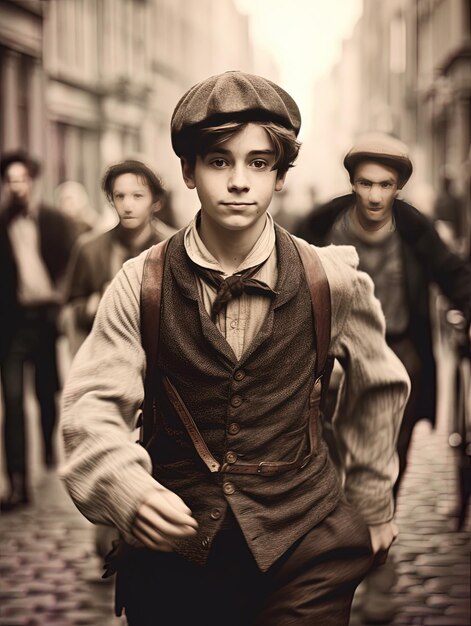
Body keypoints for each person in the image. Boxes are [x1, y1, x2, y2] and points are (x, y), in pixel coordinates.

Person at [60, 72, 410, 626]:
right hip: (178, 552)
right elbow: (91, 408)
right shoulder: (140, 281)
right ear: (189, 172)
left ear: (280, 174)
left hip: (306, 544)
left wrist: (371, 498)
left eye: (259, 163)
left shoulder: (330, 278)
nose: (240, 181)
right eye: (220, 161)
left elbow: (381, 384)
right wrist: (126, 489)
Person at [295, 132, 471, 622]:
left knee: (385, 459)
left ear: (399, 188)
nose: (374, 195)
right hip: (329, 359)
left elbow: (454, 274)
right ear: (352, 183)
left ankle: (377, 559)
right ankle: (327, 554)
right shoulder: (321, 222)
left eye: (385, 185)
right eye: (366, 183)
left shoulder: (413, 229)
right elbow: (281, 265)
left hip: (398, 353)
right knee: (325, 456)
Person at [0, 150, 76, 511]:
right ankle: (18, 483)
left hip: (45, 320)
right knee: (12, 402)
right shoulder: (1, 223)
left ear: (31, 181)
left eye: (22, 180)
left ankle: (48, 449)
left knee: (47, 393)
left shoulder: (56, 220)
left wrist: (61, 304)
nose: (17, 187)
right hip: (11, 326)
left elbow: (69, 269)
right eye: (10, 181)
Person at [63, 160, 169, 356]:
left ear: (156, 202)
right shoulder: (89, 249)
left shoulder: (172, 248)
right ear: (111, 200)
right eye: (120, 196)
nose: (127, 206)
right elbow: (69, 309)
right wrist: (88, 307)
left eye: (138, 196)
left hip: (160, 362)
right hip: (106, 357)